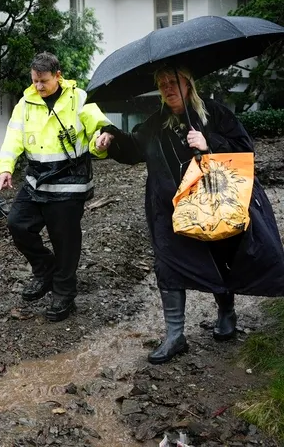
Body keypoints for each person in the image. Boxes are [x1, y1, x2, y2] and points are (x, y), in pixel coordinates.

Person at [96, 66, 284, 364]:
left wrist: (210, 144)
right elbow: (134, 149)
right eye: (162, 84)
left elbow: (245, 148)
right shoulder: (156, 122)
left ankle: (226, 312)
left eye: (173, 82)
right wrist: (111, 137)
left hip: (213, 203)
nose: (168, 89)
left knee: (220, 256)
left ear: (188, 84)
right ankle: (175, 335)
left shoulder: (215, 113)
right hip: (171, 207)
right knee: (167, 264)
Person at [0, 52, 112, 322]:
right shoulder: (25, 103)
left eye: (43, 81)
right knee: (17, 224)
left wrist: (102, 141)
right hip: (37, 179)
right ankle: (44, 269)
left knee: (65, 240)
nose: (38, 86)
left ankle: (64, 294)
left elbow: (98, 127)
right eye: (34, 80)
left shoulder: (79, 98)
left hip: (69, 181)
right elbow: (13, 136)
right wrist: (5, 167)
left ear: (57, 76)